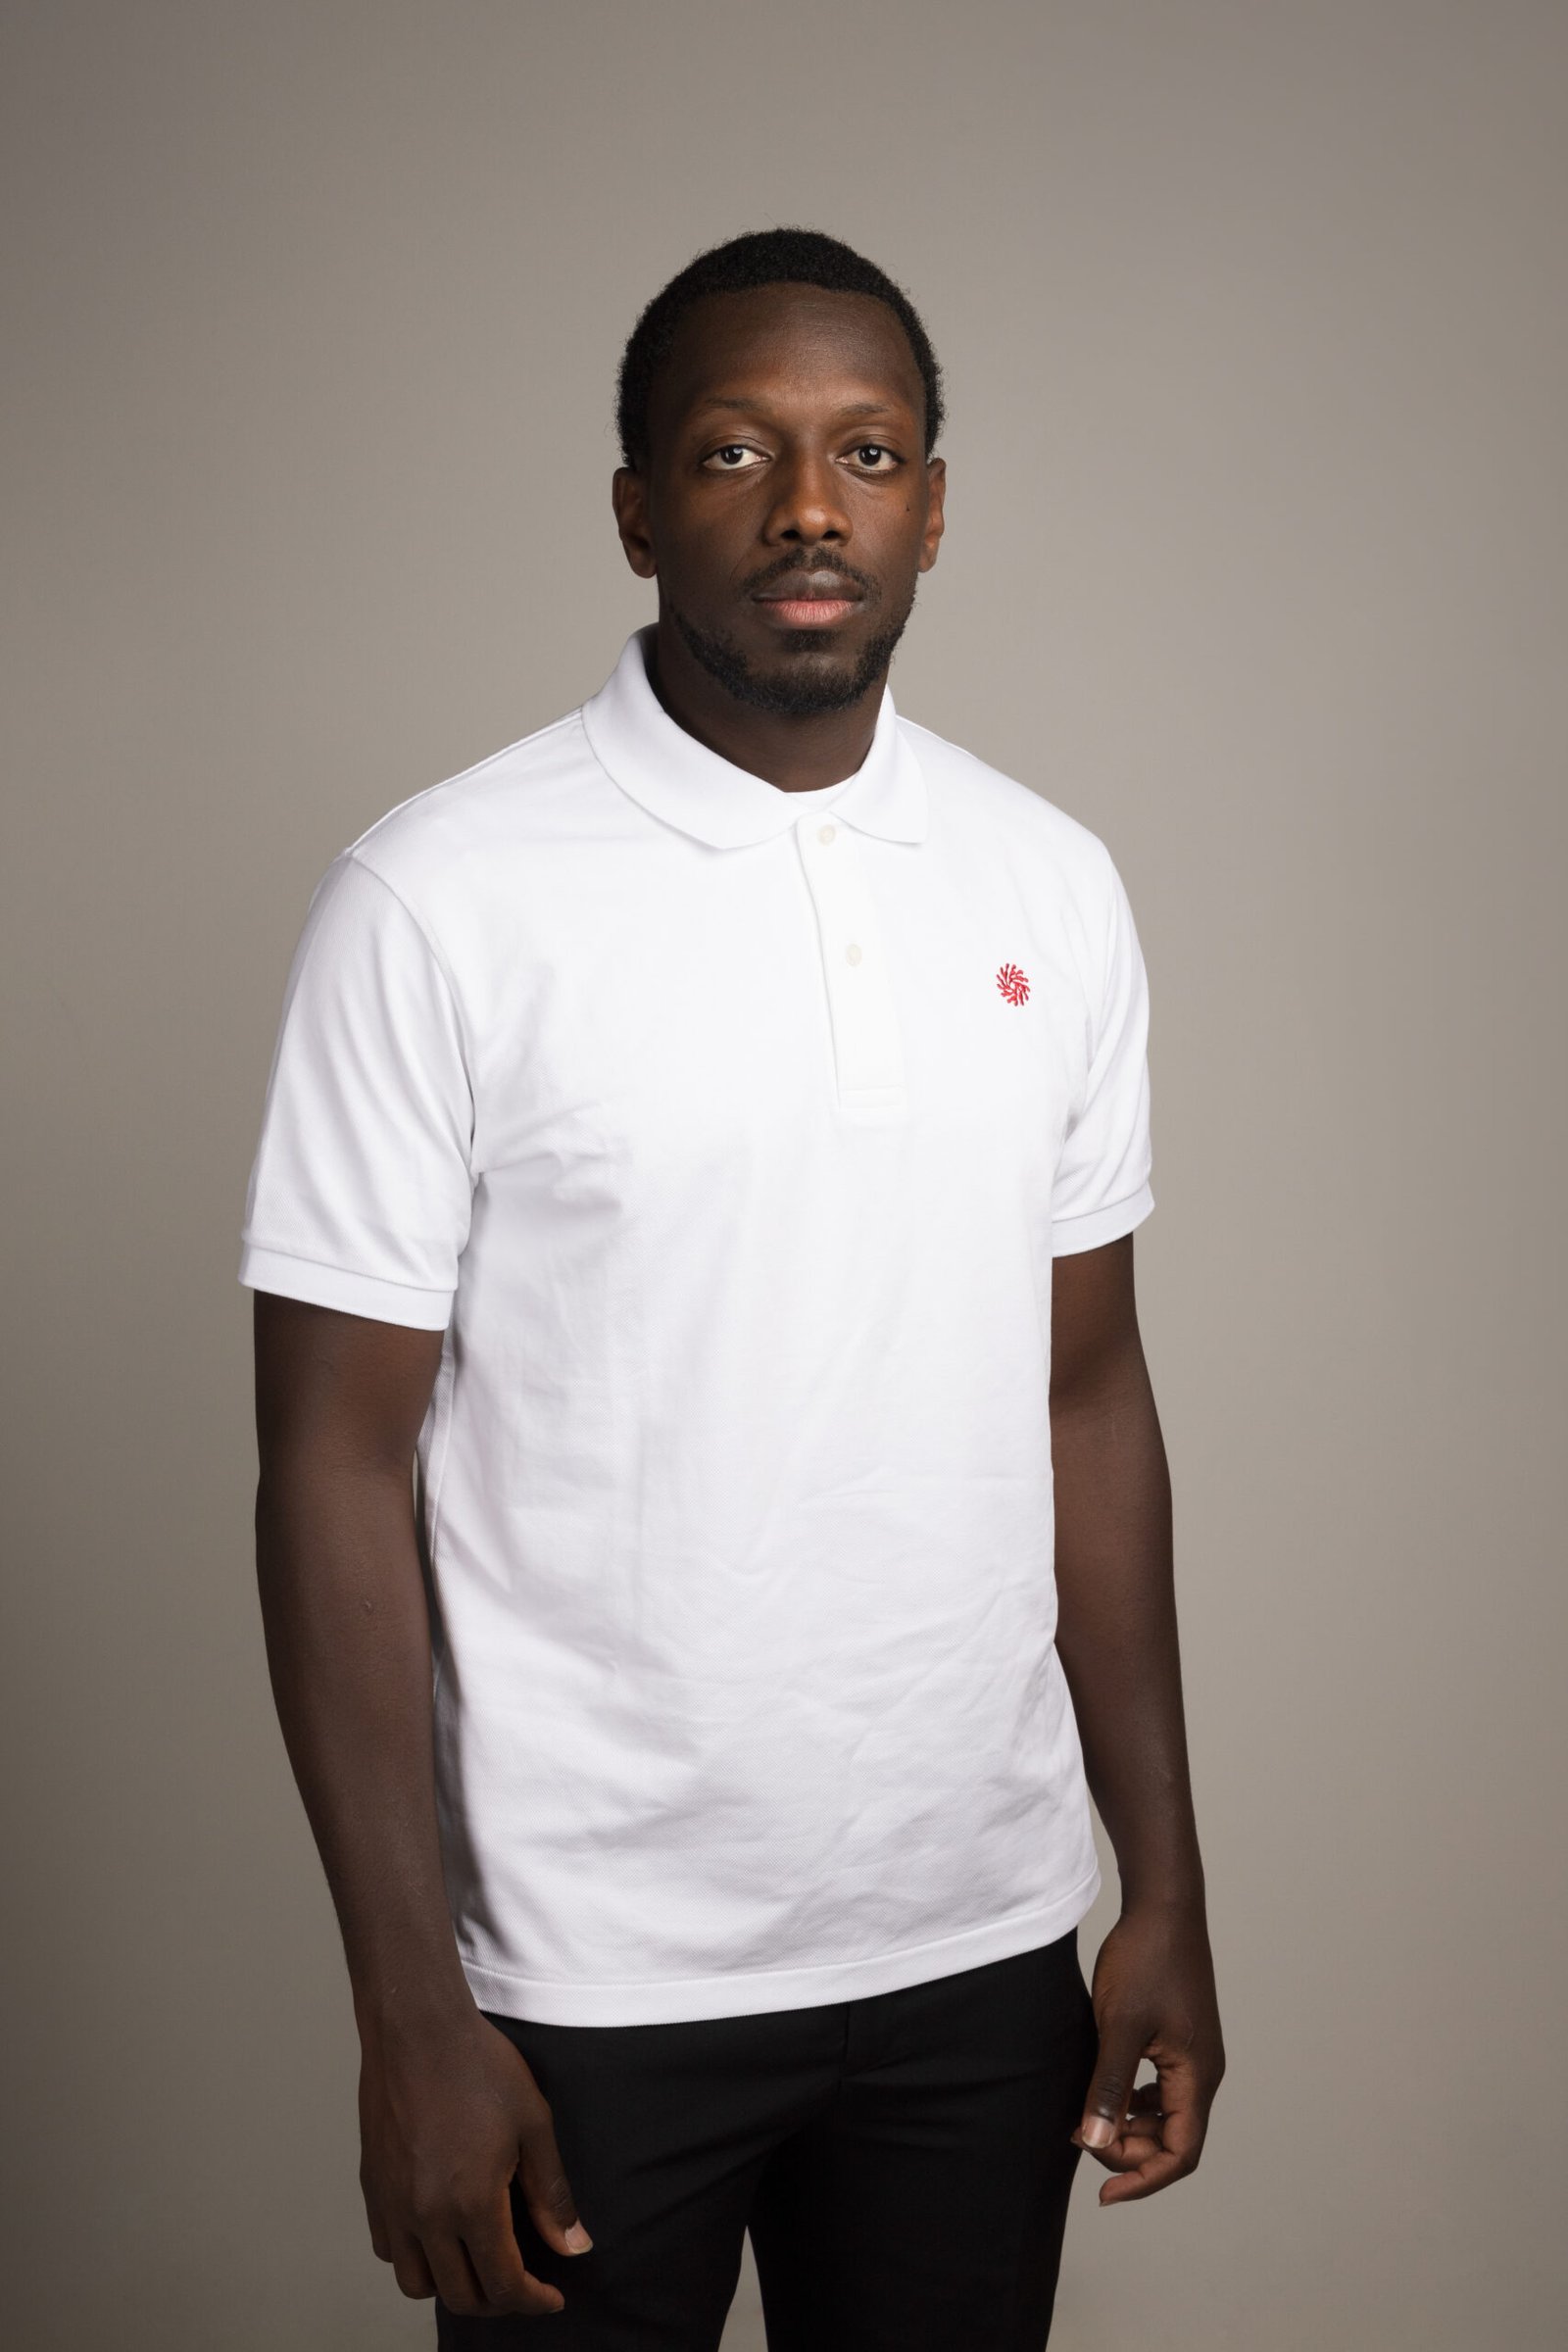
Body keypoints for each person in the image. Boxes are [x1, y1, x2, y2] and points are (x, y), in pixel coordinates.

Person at [240, 226, 1224, 2350]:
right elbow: (329, 1467)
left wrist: (1159, 1884)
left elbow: (1085, 1394)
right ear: (633, 509)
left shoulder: (1049, 883)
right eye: (730, 451)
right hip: (584, 1982)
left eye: (865, 453)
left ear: (931, 509)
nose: (804, 507)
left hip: (978, 1954)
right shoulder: (439, 897)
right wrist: (410, 2016)